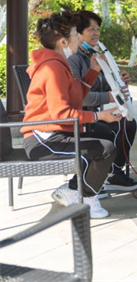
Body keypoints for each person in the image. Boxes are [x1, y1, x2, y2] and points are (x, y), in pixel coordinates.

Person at [22, 11, 122, 218]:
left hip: (54, 133)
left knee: (105, 134)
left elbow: (76, 96)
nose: (79, 39)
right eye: (76, 35)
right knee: (105, 148)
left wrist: (92, 71)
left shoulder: (59, 63)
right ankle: (85, 196)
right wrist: (99, 116)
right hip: (44, 141)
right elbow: (62, 113)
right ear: (63, 42)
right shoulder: (52, 68)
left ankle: (76, 189)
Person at [67, 10, 137, 193]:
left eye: (97, 29)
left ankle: (114, 172)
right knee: (111, 130)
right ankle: (90, 178)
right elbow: (81, 97)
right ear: (78, 33)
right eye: (91, 29)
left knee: (128, 123)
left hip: (95, 115)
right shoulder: (73, 61)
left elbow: (105, 85)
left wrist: (120, 81)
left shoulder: (96, 57)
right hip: (82, 118)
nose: (96, 33)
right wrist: (109, 96)